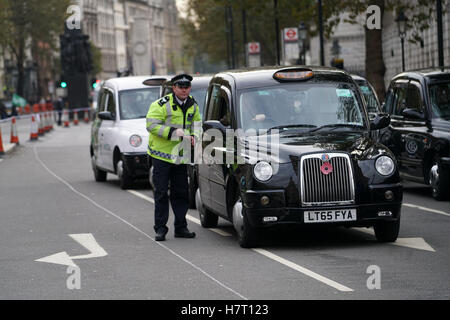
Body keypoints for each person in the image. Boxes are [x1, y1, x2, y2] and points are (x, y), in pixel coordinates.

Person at [146, 74, 202, 241]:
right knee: (162, 193)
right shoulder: (161, 104)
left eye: (187, 87)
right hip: (161, 155)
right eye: (181, 87)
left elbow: (197, 125)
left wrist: (194, 136)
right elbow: (151, 125)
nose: (184, 90)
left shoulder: (193, 104)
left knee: (181, 193)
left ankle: (181, 227)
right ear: (174, 88)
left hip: (180, 155)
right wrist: (172, 132)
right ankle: (160, 229)